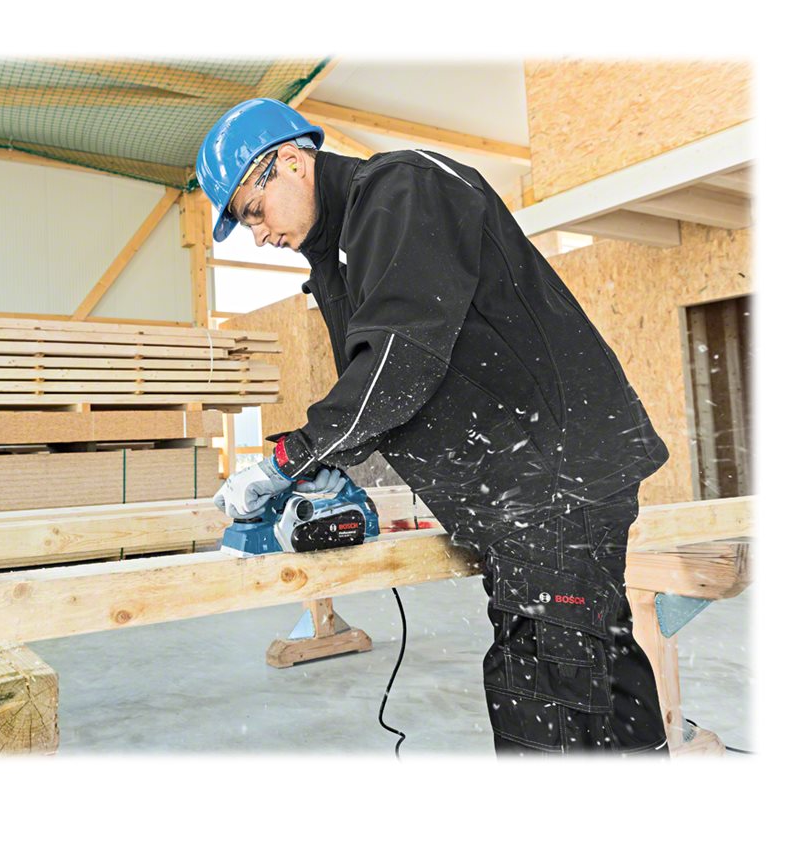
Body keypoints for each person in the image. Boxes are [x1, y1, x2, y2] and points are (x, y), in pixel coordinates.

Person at [198, 98, 671, 756]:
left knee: (544, 697)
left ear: (291, 163)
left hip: (556, 479)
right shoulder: (343, 249)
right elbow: (383, 383)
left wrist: (290, 458)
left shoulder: (402, 191)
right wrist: (330, 463)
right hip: (535, 485)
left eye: (254, 211)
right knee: (599, 673)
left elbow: (399, 360)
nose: (259, 235)